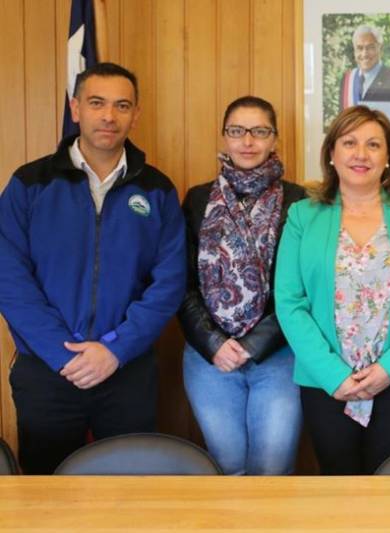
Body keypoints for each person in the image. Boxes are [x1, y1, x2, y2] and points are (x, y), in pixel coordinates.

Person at [0, 62, 186, 474]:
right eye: (97, 103)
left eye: (122, 106)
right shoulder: (29, 183)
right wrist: (61, 354)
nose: (109, 116)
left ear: (135, 114)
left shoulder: (156, 190)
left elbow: (168, 283)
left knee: (129, 494)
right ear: (76, 108)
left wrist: (115, 350)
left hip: (127, 370)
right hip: (49, 371)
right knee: (46, 495)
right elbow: (8, 278)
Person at [274, 105, 390, 475]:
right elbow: (289, 302)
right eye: (349, 142)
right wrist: (332, 374)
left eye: (373, 145)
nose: (361, 154)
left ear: (388, 158)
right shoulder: (303, 216)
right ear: (332, 154)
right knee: (338, 487)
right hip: (327, 381)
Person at [178, 96, 305, 475]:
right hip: (209, 356)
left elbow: (300, 289)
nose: (247, 141)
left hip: (279, 356)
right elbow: (180, 283)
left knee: (273, 472)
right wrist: (215, 344)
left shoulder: (299, 202)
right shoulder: (198, 200)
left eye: (259, 131)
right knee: (228, 469)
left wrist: (253, 345)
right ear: (224, 138)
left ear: (274, 139)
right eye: (237, 131)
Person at [339, 25, 390, 111]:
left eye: (370, 48)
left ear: (380, 49)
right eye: (359, 48)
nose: (364, 54)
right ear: (354, 51)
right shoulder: (348, 79)